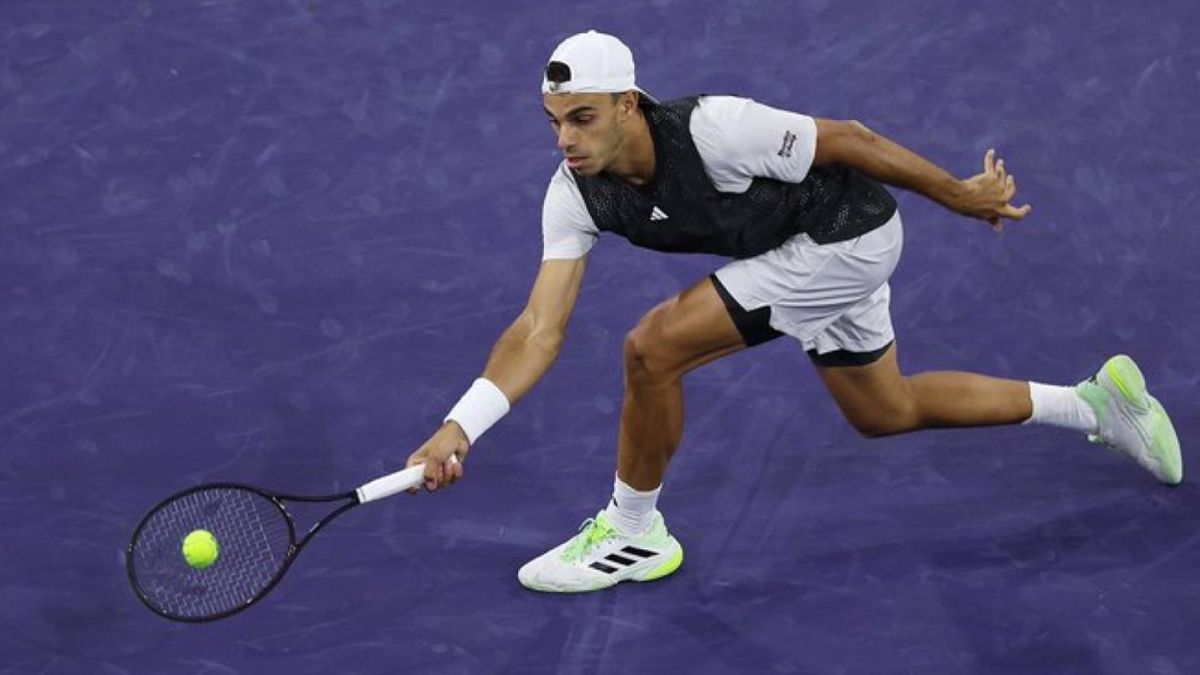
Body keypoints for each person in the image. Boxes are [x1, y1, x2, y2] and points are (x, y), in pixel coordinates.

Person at [405, 30, 1183, 593]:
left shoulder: (713, 128)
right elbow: (538, 328)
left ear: (628, 105)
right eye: (554, 121)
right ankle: (1097, 402)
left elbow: (850, 139)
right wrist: (459, 424)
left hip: (850, 236)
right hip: (800, 258)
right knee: (888, 408)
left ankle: (634, 532)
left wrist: (959, 193)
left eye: (582, 117)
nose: (566, 140)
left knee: (654, 348)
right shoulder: (572, 195)